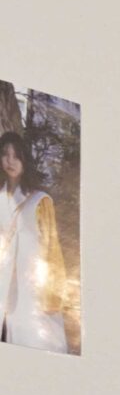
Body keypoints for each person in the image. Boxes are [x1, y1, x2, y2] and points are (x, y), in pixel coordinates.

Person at [0, 131, 72, 351]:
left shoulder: (40, 201)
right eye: (5, 155)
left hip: (31, 287)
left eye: (16, 156)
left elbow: (52, 250)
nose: (10, 161)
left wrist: (52, 294)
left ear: (25, 160)